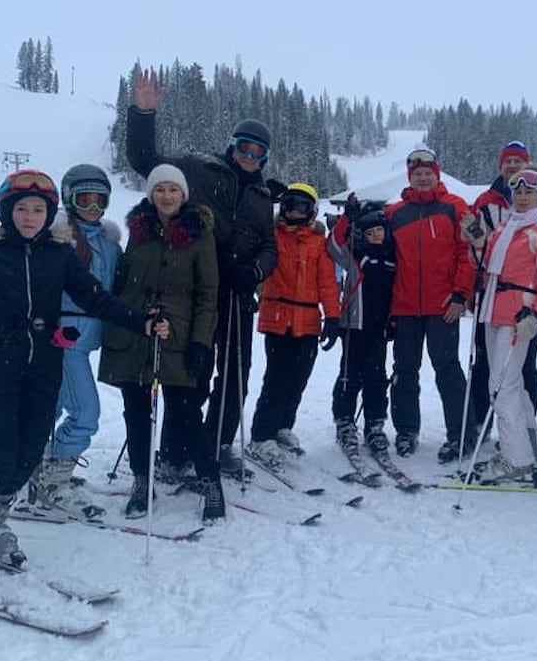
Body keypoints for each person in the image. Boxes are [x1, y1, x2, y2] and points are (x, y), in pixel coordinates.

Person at [0, 170, 166, 600]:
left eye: (38, 209)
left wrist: (142, 322)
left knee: (29, 453)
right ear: (6, 211)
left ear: (50, 213)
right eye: (21, 209)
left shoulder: (58, 254)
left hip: (44, 369)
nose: (30, 217)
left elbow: (95, 297)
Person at [126, 70, 276, 478]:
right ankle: (176, 451)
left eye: (257, 151)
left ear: (264, 158)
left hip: (236, 296)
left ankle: (215, 446)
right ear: (231, 147)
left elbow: (270, 246)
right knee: (189, 373)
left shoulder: (264, 198)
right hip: (191, 293)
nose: (249, 155)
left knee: (235, 379)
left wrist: (254, 270)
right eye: (244, 147)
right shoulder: (198, 168)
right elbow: (145, 162)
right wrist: (144, 113)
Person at [98, 165, 221, 522]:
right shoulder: (138, 230)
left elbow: (207, 294)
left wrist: (200, 342)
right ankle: (142, 480)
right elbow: (122, 283)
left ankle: (210, 480)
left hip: (178, 336)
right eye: (160, 189)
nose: (166, 196)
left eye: (173, 190)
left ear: (183, 195)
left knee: (185, 414)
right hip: (135, 333)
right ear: (151, 194)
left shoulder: (201, 234)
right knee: (136, 413)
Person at [454, 140, 537, 464]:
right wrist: (477, 241)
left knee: (502, 386)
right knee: (505, 382)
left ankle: (516, 459)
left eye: (529, 192)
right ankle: (528, 444)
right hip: (493, 311)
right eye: (517, 192)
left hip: (519, 314)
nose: (522, 196)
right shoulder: (506, 226)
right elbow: (487, 263)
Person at [28, 164, 122, 521]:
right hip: (65, 338)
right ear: (69, 198)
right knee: (85, 413)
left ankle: (34, 471)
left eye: (100, 201)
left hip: (89, 339)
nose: (93, 208)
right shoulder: (57, 240)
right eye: (85, 199)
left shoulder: (109, 243)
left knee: (49, 409)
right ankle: (52, 480)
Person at [244, 183, 341, 471]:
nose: (295, 211)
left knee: (299, 378)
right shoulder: (272, 236)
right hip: (278, 318)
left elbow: (326, 282)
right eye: (290, 205)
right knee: (277, 379)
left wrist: (332, 317)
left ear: (311, 211)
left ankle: (283, 426)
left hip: (309, 321)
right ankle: (262, 436)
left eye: (302, 206)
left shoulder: (317, 243)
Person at [386, 146, 476, 457]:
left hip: (444, 306)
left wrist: (460, 294)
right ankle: (406, 431)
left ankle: (462, 434)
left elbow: (472, 251)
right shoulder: (394, 213)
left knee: (448, 369)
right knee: (404, 370)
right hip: (405, 306)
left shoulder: (457, 207)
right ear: (410, 178)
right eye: (417, 175)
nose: (423, 179)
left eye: (428, 174)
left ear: (436, 175)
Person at [328, 195, 396, 454]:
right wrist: (348, 218)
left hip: (379, 328)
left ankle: (375, 424)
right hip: (354, 326)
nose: (376, 236)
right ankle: (344, 421)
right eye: (371, 232)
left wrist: (395, 319)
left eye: (380, 231)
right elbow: (333, 245)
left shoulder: (392, 258)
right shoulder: (356, 257)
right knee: (350, 375)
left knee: (377, 377)